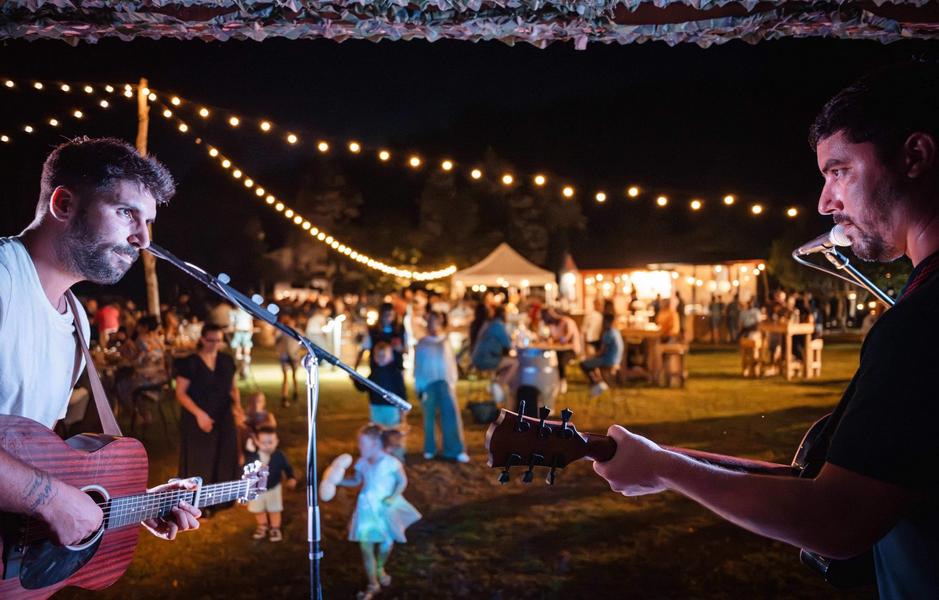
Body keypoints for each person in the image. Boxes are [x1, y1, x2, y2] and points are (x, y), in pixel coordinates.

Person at [594, 64, 939, 598]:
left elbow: (837, 519)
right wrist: (667, 460)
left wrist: (665, 470)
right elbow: (857, 479)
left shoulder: (919, 325)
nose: (826, 201)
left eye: (839, 171)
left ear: (914, 156)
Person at [0, 137, 199, 545]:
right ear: (63, 205)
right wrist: (53, 500)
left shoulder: (76, 320)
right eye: (127, 213)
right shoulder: (3, 281)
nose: (143, 239)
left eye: (148, 222)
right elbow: (46, 492)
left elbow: (32, 458)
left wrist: (123, 505)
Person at [337, 425, 422, 600]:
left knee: (385, 544)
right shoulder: (361, 462)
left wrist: (394, 496)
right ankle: (373, 583)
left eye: (362, 443)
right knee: (366, 549)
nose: (359, 447)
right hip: (366, 510)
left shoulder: (391, 463)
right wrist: (339, 481)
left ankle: (380, 567)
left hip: (384, 510)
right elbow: (356, 481)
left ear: (375, 443)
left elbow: (402, 481)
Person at [175, 323, 244, 514]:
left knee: (225, 454)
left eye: (218, 340)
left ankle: (223, 499)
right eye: (211, 340)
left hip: (223, 414)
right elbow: (180, 393)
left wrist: (237, 407)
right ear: (203, 339)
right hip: (197, 416)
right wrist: (199, 414)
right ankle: (198, 503)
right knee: (201, 459)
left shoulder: (226, 361)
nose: (214, 344)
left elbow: (233, 387)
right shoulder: (190, 363)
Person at [414, 311, 469, 463]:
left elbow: (450, 363)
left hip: (444, 382)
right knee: (429, 417)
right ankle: (429, 448)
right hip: (427, 383)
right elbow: (418, 366)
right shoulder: (422, 343)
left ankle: (455, 449)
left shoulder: (445, 341)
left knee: (450, 416)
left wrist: (452, 381)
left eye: (436, 322)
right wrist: (419, 386)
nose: (434, 325)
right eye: (431, 321)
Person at [244, 426, 297, 543]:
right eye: (263, 442)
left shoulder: (279, 455)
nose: (267, 445)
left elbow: (287, 468)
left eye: (271, 442)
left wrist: (291, 477)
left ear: (277, 441)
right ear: (257, 442)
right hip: (256, 489)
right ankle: (262, 525)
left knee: (274, 509)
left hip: (274, 488)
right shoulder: (253, 457)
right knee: (258, 509)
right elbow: (247, 472)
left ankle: (275, 528)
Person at [353, 342, 408, 440]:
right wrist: (356, 380)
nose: (381, 357)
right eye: (378, 355)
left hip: (391, 409)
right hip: (376, 408)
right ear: (374, 357)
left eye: (384, 355)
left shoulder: (395, 373)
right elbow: (363, 388)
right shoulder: (374, 373)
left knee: (392, 432)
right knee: (377, 433)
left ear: (390, 356)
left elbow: (401, 391)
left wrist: (403, 407)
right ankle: (380, 451)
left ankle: (394, 452)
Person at [470, 305, 517, 404]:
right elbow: (507, 345)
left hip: (477, 358)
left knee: (506, 363)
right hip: (486, 360)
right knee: (514, 363)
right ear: (503, 315)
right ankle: (499, 385)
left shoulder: (490, 324)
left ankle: (496, 386)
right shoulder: (498, 326)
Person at [580, 313, 625, 397]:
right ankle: (600, 382)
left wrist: (591, 357)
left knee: (584, 364)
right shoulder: (616, 332)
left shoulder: (608, 333)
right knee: (591, 363)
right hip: (616, 360)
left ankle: (597, 383)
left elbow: (602, 351)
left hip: (608, 360)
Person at [542, 307, 582, 394]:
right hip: (558, 350)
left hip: (571, 350)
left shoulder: (568, 322)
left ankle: (562, 381)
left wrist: (557, 340)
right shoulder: (552, 325)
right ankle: (551, 380)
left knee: (561, 360)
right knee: (548, 357)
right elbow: (552, 338)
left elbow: (567, 338)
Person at [274, 312, 302, 407]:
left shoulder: (297, 331)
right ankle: (284, 396)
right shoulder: (282, 331)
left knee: (294, 375)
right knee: (285, 376)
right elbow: (276, 339)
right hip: (285, 355)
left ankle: (295, 392)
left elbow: (303, 342)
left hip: (294, 356)